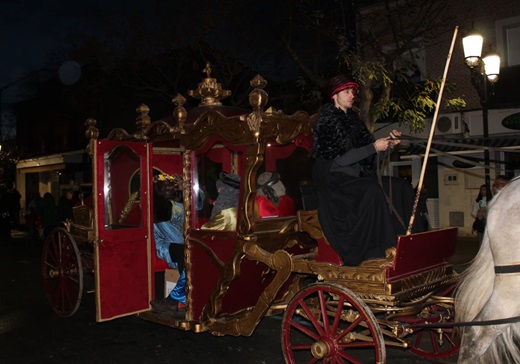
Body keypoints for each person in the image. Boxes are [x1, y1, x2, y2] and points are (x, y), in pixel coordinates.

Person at [312, 73, 420, 266]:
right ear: (334, 95)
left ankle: (409, 244)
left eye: (353, 91)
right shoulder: (326, 121)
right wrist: (372, 147)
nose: (352, 95)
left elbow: (370, 158)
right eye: (347, 91)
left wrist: (389, 145)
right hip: (336, 184)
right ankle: (380, 252)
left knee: (401, 186)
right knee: (372, 191)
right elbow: (337, 161)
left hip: (357, 178)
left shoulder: (354, 121)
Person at [150, 173, 186, 317]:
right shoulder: (158, 207)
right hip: (165, 243)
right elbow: (167, 230)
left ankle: (177, 300)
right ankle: (174, 301)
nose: (169, 189)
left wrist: (187, 189)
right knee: (188, 253)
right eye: (165, 186)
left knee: (192, 253)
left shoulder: (178, 202)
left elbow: (200, 205)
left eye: (172, 186)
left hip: (181, 240)